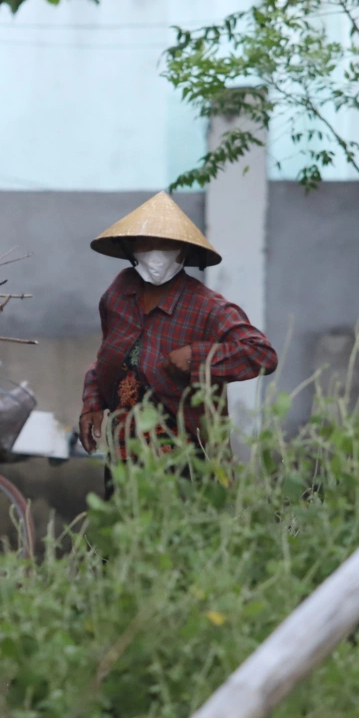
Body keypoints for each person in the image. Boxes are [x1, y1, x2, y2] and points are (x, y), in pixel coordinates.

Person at [78, 192, 278, 497]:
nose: (155, 253)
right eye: (145, 243)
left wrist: (197, 357)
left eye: (166, 245)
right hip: (124, 448)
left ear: (183, 252)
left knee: (179, 535)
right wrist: (93, 402)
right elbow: (109, 355)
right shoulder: (119, 292)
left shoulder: (208, 307)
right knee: (122, 534)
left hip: (186, 454)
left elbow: (261, 354)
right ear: (132, 248)